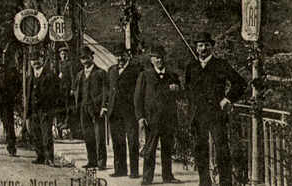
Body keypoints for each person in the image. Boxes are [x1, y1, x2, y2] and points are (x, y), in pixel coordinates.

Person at [185, 32, 247, 186]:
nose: (203, 48)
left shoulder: (221, 64)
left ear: (212, 47)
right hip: (198, 115)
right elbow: (187, 89)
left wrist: (228, 99)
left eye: (206, 45)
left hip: (216, 114)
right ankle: (204, 182)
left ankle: (225, 183)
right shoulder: (191, 66)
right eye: (200, 45)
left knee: (222, 149)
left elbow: (240, 83)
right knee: (200, 149)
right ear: (196, 48)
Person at [135, 44, 181, 184]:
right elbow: (138, 97)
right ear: (151, 60)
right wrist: (141, 117)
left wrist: (177, 89)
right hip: (151, 119)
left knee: (167, 149)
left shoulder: (172, 76)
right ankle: (147, 178)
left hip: (168, 119)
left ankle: (167, 176)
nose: (159, 61)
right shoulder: (145, 75)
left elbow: (182, 94)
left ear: (164, 59)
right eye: (156, 58)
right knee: (149, 150)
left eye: (161, 58)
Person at [105, 44, 142, 178]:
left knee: (132, 141)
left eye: (122, 55)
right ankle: (120, 169)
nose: (119, 58)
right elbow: (108, 91)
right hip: (114, 112)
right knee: (117, 141)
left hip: (130, 111)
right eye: (117, 55)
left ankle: (134, 171)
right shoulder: (112, 70)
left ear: (127, 55)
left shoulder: (136, 71)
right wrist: (106, 106)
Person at [75, 46, 108, 169]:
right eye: (82, 58)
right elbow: (77, 90)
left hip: (96, 108)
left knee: (99, 136)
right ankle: (92, 160)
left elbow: (106, 91)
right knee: (88, 135)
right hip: (83, 108)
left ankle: (101, 162)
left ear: (91, 57)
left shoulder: (101, 73)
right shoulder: (79, 74)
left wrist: (104, 106)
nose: (84, 60)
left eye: (86, 57)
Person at [25, 49, 58, 164]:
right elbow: (28, 95)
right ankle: (40, 156)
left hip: (45, 110)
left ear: (41, 60)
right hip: (34, 110)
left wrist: (51, 108)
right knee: (36, 133)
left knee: (46, 134)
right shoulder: (30, 77)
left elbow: (55, 94)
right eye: (32, 60)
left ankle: (49, 158)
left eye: (36, 59)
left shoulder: (49, 75)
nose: (34, 62)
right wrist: (27, 112)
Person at [57, 45, 80, 138]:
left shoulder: (69, 64)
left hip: (67, 88)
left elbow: (72, 76)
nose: (63, 55)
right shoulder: (59, 63)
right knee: (60, 106)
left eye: (65, 54)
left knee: (67, 106)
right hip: (60, 88)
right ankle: (60, 124)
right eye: (62, 54)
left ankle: (67, 123)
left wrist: (72, 88)